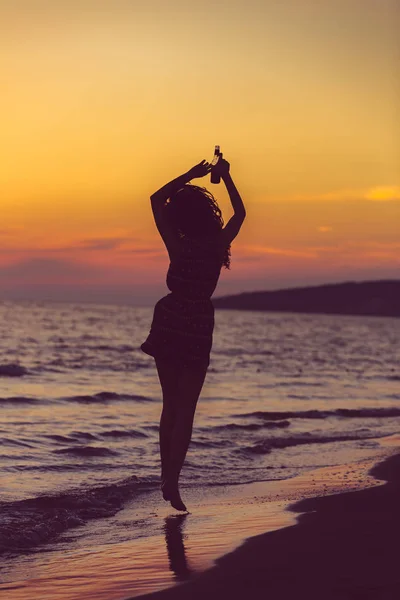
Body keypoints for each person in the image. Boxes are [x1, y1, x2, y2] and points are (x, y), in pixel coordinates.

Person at [140, 155, 246, 511]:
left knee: (171, 404)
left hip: (170, 317)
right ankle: (172, 478)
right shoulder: (216, 245)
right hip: (198, 322)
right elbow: (241, 215)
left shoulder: (179, 243)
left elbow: (155, 199)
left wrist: (190, 174)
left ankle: (165, 474)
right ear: (207, 215)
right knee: (186, 408)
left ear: (180, 217)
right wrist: (226, 177)